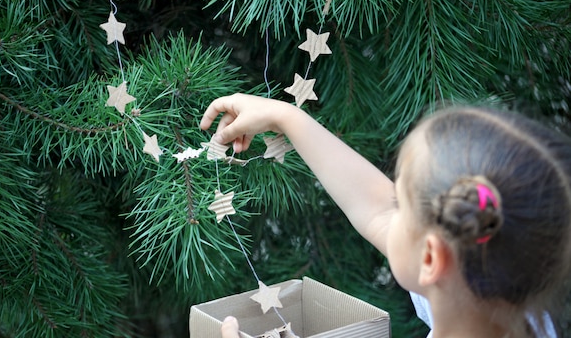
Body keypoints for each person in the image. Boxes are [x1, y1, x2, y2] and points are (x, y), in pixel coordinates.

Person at [200, 93, 571, 338]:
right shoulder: (500, 301)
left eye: (402, 205)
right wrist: (287, 118)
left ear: (430, 258)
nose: (389, 207)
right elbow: (375, 207)